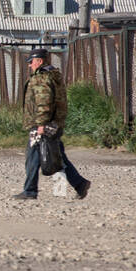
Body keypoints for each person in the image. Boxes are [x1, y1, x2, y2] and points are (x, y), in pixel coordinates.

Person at [12, 48, 91, 200]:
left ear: (39, 61)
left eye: (31, 62)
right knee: (56, 157)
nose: (30, 65)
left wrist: (41, 124)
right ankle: (79, 184)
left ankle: (30, 190)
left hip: (43, 125)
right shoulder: (54, 75)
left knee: (33, 156)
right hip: (55, 123)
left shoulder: (41, 78)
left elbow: (44, 103)